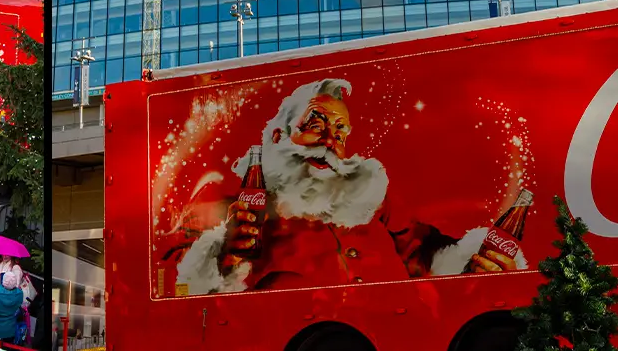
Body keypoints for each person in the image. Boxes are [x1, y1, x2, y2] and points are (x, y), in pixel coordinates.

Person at [170, 79, 525, 296]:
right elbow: (174, 277)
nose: (330, 140)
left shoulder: (370, 200)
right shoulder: (229, 205)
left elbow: (425, 252)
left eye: (340, 132)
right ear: (279, 136)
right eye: (315, 123)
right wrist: (227, 256)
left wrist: (475, 265)